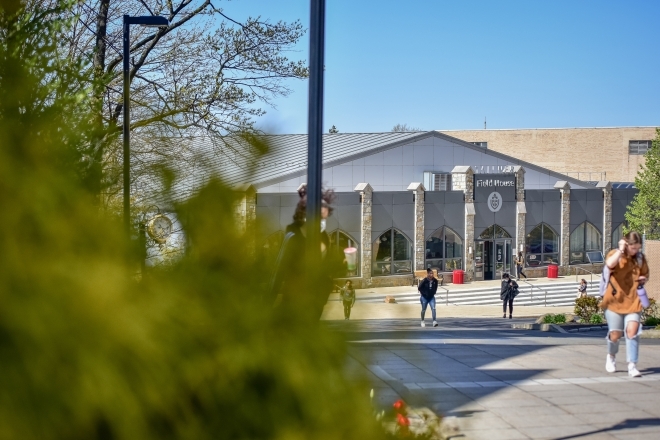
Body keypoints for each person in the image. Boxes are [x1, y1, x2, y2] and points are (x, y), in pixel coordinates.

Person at [268, 185, 342, 321]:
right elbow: (278, 272)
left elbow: (325, 272)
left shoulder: (324, 237)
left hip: (313, 308)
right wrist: (266, 306)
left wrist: (322, 298)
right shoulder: (293, 237)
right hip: (292, 306)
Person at [601, 231, 649, 377]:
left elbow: (646, 274)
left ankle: (632, 365)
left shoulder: (640, 258)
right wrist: (621, 250)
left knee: (632, 332)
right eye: (633, 248)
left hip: (634, 300)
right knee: (615, 334)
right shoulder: (615, 254)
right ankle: (611, 356)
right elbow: (609, 265)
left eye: (638, 248)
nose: (636, 251)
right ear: (626, 244)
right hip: (614, 300)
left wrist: (643, 279)